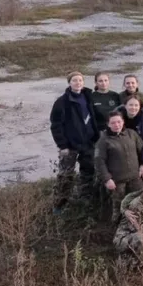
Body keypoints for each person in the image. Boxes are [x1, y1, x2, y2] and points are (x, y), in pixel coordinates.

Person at [50, 71, 100, 211]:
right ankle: (59, 205)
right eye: (74, 80)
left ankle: (85, 199)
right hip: (70, 145)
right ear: (69, 83)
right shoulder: (62, 102)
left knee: (87, 172)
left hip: (88, 142)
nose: (78, 83)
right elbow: (56, 125)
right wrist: (62, 145)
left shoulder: (87, 96)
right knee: (66, 175)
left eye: (80, 80)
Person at [96, 112, 143, 222]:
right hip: (117, 181)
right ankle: (116, 227)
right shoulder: (103, 140)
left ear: (123, 122)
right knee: (118, 206)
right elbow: (99, 161)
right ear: (108, 124)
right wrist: (107, 179)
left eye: (119, 122)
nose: (116, 125)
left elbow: (142, 151)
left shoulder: (131, 134)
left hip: (135, 178)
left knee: (139, 202)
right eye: (113, 123)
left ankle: (138, 224)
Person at [116, 96, 143, 178]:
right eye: (130, 105)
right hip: (121, 155)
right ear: (125, 106)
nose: (133, 108)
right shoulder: (117, 119)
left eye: (136, 105)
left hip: (141, 154)